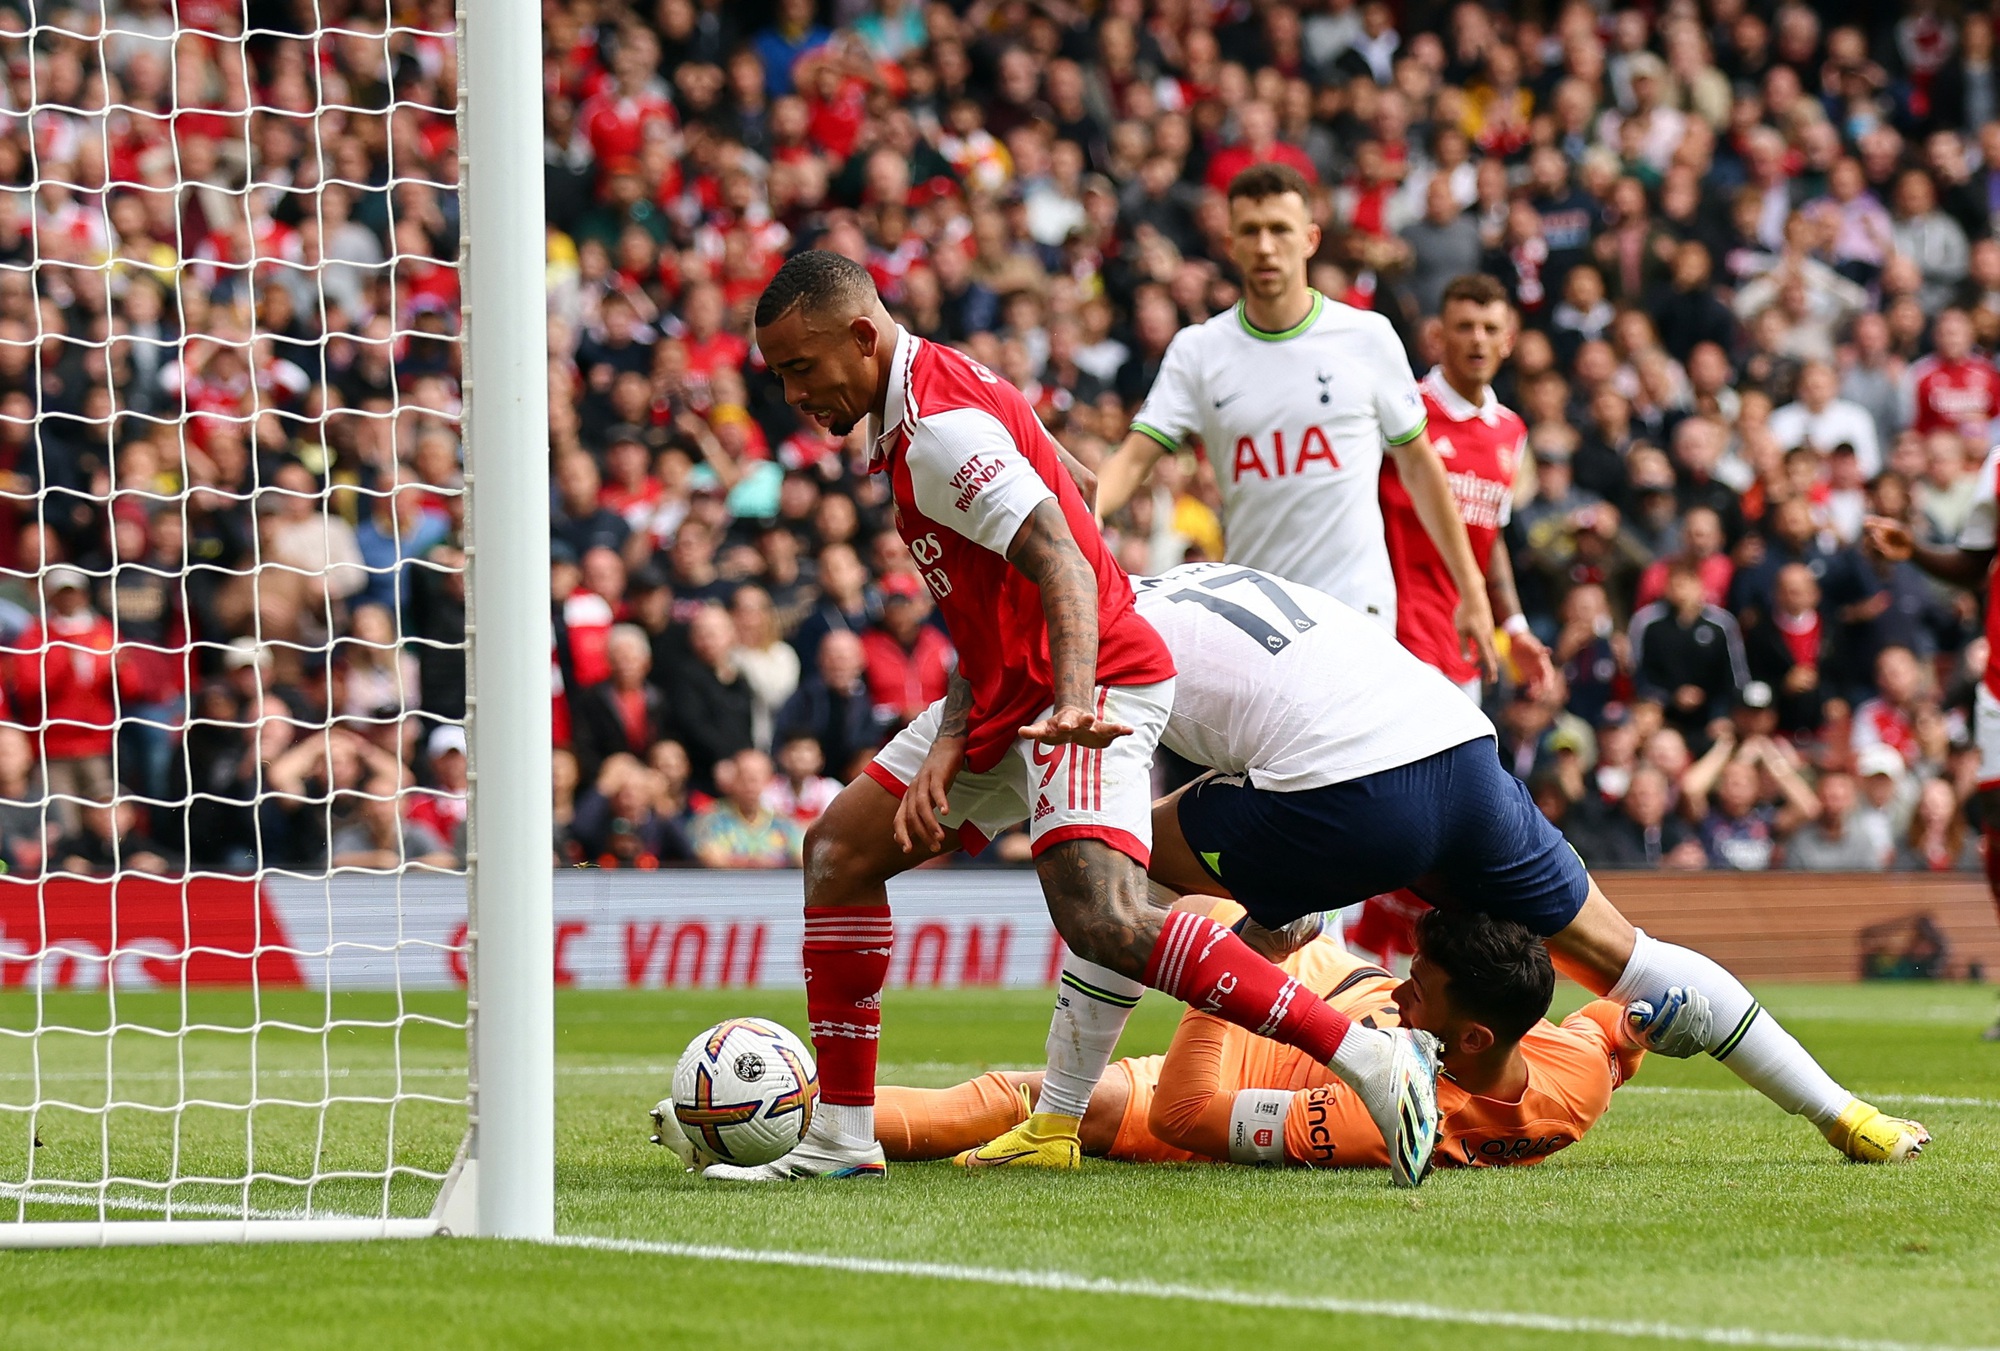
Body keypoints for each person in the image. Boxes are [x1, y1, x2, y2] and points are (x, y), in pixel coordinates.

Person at [725, 252, 1444, 1186]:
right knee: (840, 852)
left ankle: (1364, 1056)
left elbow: (1062, 555)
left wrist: (1071, 691)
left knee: (1103, 915)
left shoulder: (938, 426)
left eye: (799, 368)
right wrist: (955, 732)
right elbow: (1072, 481)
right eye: (778, 372)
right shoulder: (929, 393)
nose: (791, 393)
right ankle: (841, 1138)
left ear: (862, 337)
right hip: (1015, 689)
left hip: (1086, 681)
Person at [1031, 561, 1925, 1167]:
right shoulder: (1569, 1083)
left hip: (1353, 780)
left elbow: (1188, 1114)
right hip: (1460, 757)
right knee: (1636, 958)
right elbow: (1643, 1018)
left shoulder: (1093, 621)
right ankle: (1847, 1114)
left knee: (1117, 868)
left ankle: (1058, 1117)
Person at [866, 905, 1657, 1171]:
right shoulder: (1573, 1075)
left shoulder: (1371, 1120)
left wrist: (1236, 971)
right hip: (1315, 964)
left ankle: (805, 1114)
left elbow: (1184, 1114)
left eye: (1420, 989)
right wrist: (1645, 1025)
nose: (1403, 987)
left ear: (1475, 1034)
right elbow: (1618, 1030)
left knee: (1032, 1097)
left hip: (1247, 1056)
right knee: (1173, 871)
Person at [1091, 164, 1497, 677]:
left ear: (1309, 239)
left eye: (1280, 229)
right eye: (1251, 231)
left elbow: (1420, 468)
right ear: (1230, 243)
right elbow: (1132, 460)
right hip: (1256, 618)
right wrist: (1082, 520)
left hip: (1358, 608)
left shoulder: (1367, 337)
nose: (1265, 246)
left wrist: (1472, 591)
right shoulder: (1199, 351)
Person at [1380, 273, 1553, 700]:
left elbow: (1490, 537)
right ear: (1438, 336)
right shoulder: (1405, 408)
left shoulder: (1512, 430)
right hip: (1397, 632)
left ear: (1508, 341)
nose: (1478, 340)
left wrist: (1515, 628)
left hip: (1466, 641)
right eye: (1464, 327)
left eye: (1490, 329)